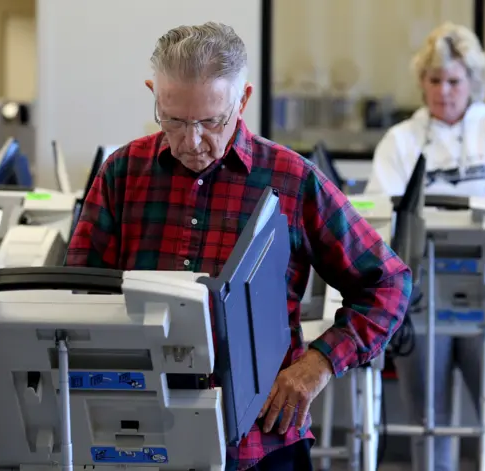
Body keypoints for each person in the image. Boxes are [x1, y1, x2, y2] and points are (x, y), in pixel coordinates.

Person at [66, 22, 412, 471]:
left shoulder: (292, 178)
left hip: (260, 443)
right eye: (173, 119)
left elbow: (388, 285)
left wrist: (317, 365)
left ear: (242, 100)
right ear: (155, 94)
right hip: (141, 434)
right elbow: (80, 300)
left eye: (211, 121)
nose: (192, 142)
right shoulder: (122, 174)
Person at [365, 22, 485, 471]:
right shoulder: (400, 140)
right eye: (434, 80)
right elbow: (379, 217)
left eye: (454, 81)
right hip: (420, 298)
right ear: (422, 82)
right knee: (429, 421)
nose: (444, 91)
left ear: (473, 82)